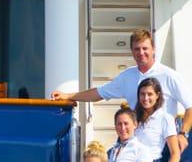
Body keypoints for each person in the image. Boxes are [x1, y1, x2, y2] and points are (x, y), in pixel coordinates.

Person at [51, 29, 192, 151]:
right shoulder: (127, 76)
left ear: (153, 49)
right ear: (131, 51)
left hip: (164, 147)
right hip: (137, 146)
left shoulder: (169, 76)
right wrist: (69, 96)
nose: (141, 53)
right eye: (137, 49)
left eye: (145, 48)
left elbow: (190, 107)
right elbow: (99, 93)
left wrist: (182, 134)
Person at [135, 78, 181, 162]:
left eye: (150, 94)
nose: (145, 98)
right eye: (142, 94)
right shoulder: (134, 118)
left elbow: (175, 153)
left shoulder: (165, 118)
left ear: (158, 95)